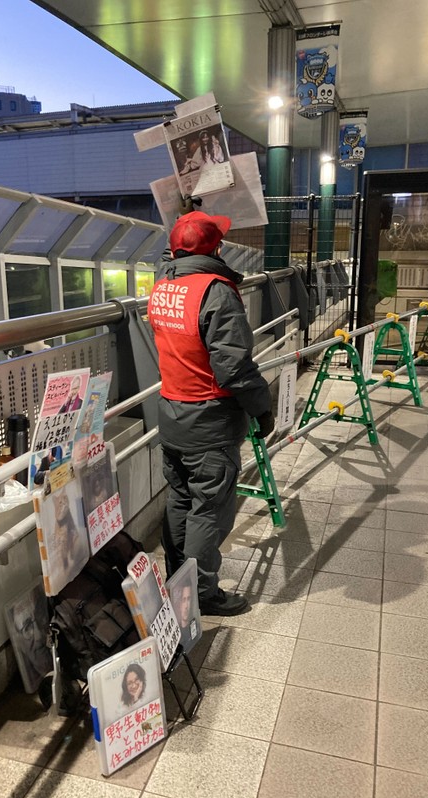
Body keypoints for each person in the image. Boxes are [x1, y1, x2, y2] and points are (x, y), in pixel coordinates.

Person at [148, 210, 274, 616]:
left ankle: (175, 581)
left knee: (181, 498)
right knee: (209, 509)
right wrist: (262, 408)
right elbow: (233, 366)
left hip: (171, 412)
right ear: (216, 248)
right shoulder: (215, 291)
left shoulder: (163, 284)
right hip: (209, 420)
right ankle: (200, 593)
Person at [171, 581, 195, 649]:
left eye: (188, 599)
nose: (186, 606)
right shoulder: (174, 633)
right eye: (183, 600)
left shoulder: (194, 625)